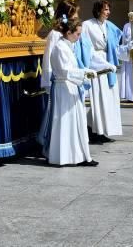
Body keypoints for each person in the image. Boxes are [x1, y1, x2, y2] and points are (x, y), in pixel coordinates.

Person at [43, 17, 98, 167]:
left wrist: (85, 71)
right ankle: (63, 156)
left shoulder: (68, 46)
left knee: (76, 121)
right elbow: (64, 71)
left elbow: (72, 68)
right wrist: (84, 74)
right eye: (78, 34)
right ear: (68, 32)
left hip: (71, 87)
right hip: (63, 88)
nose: (79, 37)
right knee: (65, 121)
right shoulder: (60, 47)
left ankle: (77, 155)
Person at [38, 0, 79, 146]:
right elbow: (48, 58)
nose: (77, 16)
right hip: (57, 80)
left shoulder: (70, 33)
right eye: (75, 14)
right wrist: (47, 81)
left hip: (69, 79)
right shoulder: (55, 35)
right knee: (53, 114)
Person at [81, 0, 123, 142]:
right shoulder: (87, 25)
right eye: (105, 9)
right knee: (99, 98)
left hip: (109, 62)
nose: (108, 12)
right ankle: (95, 131)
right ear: (98, 10)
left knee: (109, 98)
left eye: (108, 9)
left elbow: (117, 43)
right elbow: (86, 46)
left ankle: (101, 128)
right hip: (96, 63)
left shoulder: (110, 26)